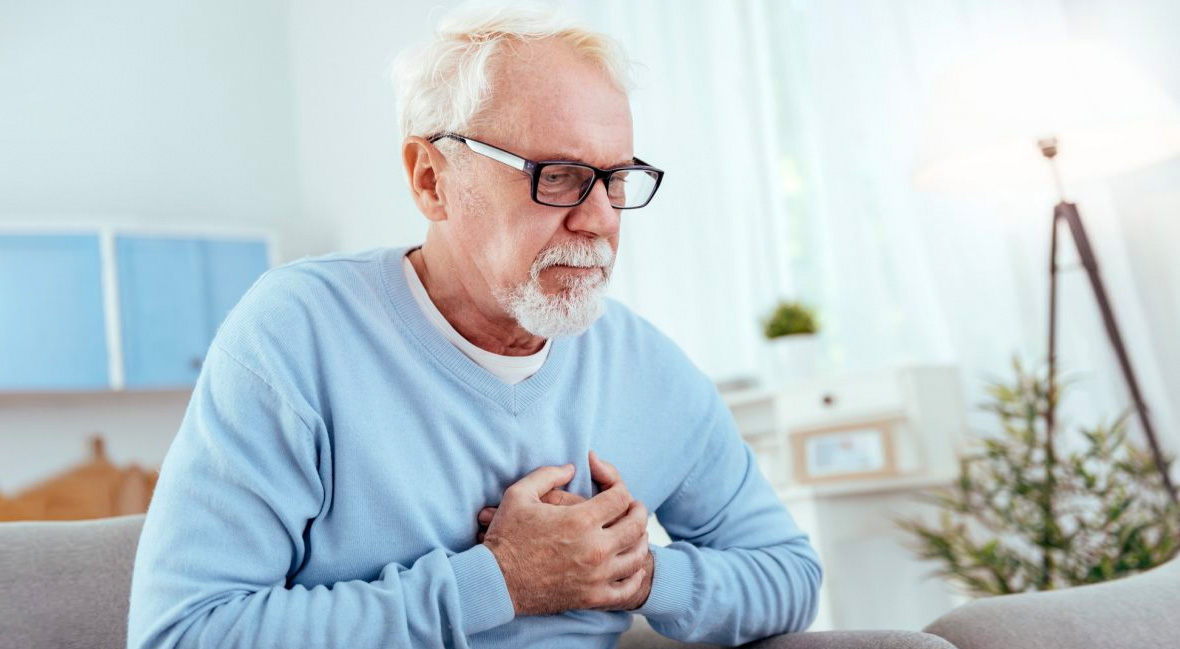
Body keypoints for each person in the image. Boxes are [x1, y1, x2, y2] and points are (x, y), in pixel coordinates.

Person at [126, 2, 821, 648]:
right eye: (558, 174)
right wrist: (499, 581)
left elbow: (791, 573)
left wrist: (637, 574)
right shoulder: (296, 335)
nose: (601, 218)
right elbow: (184, 631)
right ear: (432, 178)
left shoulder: (644, 367)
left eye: (615, 178)